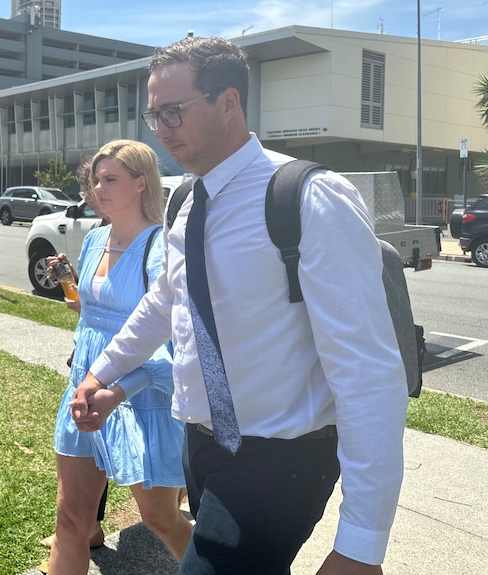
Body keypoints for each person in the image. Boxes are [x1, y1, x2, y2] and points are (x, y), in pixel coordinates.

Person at [72, 36, 408, 574]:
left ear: (228, 102)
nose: (159, 130)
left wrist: (361, 546)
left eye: (173, 112)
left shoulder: (308, 197)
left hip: (281, 458)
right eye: (153, 114)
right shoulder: (184, 198)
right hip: (200, 446)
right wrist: (102, 371)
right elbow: (167, 301)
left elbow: (368, 372)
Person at [47, 140, 192, 575]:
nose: (98, 188)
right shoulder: (93, 240)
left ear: (140, 183)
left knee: (161, 519)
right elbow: (91, 315)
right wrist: (69, 286)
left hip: (141, 395)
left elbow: (166, 342)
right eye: (96, 179)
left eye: (110, 179)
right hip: (86, 388)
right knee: (71, 520)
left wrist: (119, 390)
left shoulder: (161, 247)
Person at [40, 156, 110, 550]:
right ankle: (85, 528)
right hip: (89, 351)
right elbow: (86, 301)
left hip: (118, 359)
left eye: (101, 183)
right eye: (90, 187)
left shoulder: (143, 236)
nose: (92, 195)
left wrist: (77, 292)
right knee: (86, 445)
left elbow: (109, 308)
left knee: (156, 506)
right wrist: (70, 279)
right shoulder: (100, 234)